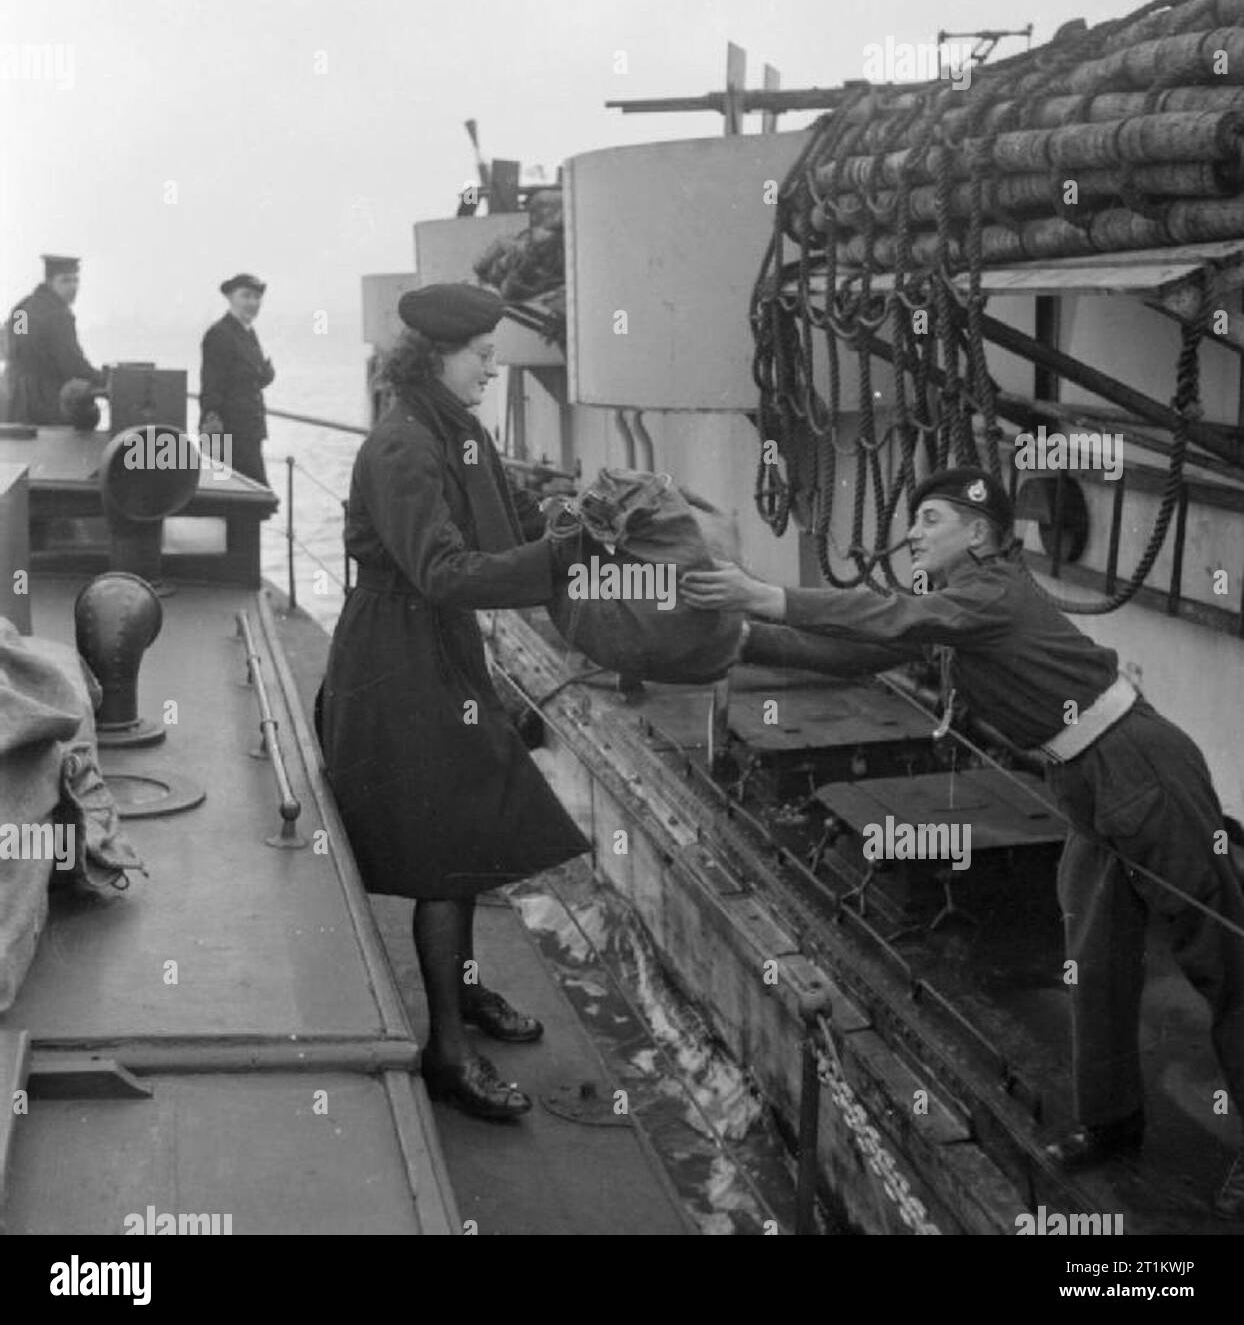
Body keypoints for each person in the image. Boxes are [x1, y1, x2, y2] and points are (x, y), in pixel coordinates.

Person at [681, 465, 1244, 1219]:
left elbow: (890, 621)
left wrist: (766, 593)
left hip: (1142, 767)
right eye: (913, 519)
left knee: (1221, 959)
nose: (913, 531)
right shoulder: (955, 606)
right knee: (1094, 954)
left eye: (932, 519)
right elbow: (864, 650)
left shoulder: (994, 590)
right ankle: (1111, 1121)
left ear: (981, 534)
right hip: (1085, 782)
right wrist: (745, 639)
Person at [317, 282, 587, 1121]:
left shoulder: (451, 426)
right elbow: (441, 572)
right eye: (483, 355)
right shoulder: (404, 444)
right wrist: (552, 560)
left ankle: (463, 991)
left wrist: (567, 520)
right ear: (439, 356)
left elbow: (499, 525)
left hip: (439, 648)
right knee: (443, 847)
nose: (493, 368)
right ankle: (444, 1052)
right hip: (397, 658)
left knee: (468, 824)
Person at [5, 255, 104, 425]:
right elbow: (72, 364)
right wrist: (106, 381)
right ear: (50, 282)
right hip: (46, 404)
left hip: (13, 402)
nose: (73, 287)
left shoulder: (22, 310)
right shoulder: (58, 316)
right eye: (65, 281)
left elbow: (14, 348)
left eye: (75, 281)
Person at [199, 273, 275, 485]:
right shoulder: (219, 334)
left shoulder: (248, 333)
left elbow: (243, 376)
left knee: (249, 497)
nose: (253, 303)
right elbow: (211, 385)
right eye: (246, 296)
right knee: (238, 496)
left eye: (257, 298)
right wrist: (213, 435)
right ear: (231, 298)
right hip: (228, 433)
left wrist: (265, 376)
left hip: (249, 431)